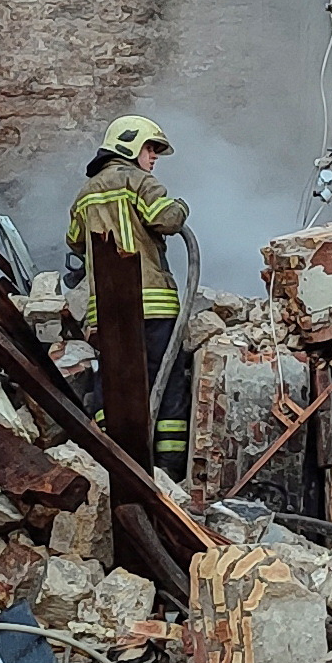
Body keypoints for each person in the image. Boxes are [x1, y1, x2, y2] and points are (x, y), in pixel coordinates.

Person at [67, 114, 193, 477]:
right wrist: (182, 205)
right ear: (128, 146)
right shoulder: (139, 181)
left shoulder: (85, 194)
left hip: (106, 310)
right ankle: (168, 470)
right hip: (153, 305)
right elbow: (168, 219)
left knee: (115, 382)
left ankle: (113, 465)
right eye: (150, 148)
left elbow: (75, 241)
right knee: (165, 381)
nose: (153, 157)